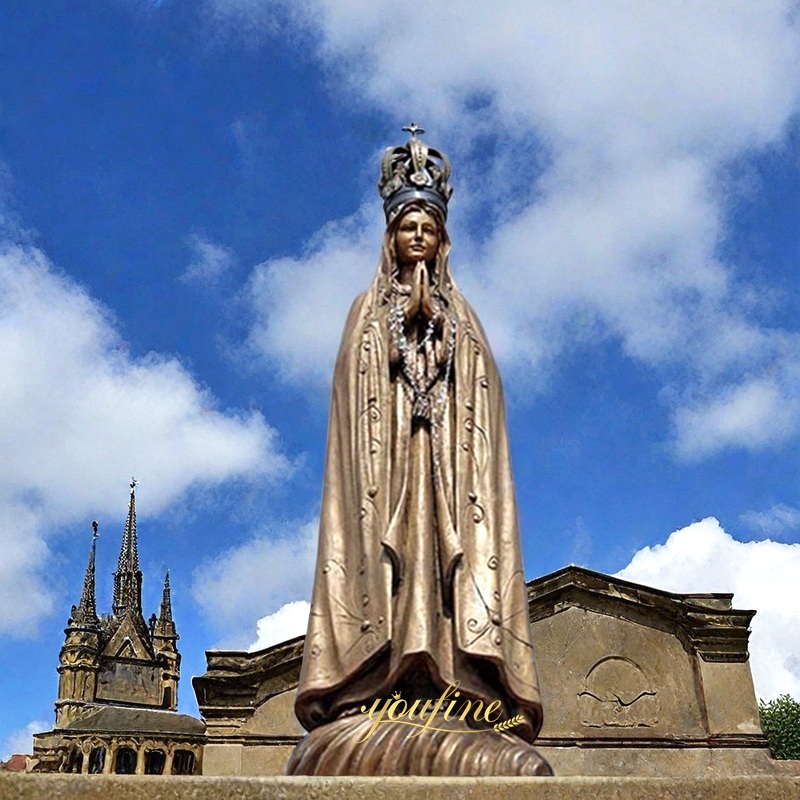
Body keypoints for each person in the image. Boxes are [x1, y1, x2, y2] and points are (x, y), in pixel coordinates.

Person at [289, 126, 551, 776]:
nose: (417, 236)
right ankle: (377, 684)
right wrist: (397, 335)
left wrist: (444, 342)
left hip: (449, 478)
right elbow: (356, 386)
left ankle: (456, 684)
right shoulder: (366, 310)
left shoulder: (463, 314)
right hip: (388, 475)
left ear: (441, 236)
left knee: (442, 568)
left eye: (427, 227)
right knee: (394, 567)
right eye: (407, 225)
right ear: (390, 234)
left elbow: (483, 395)